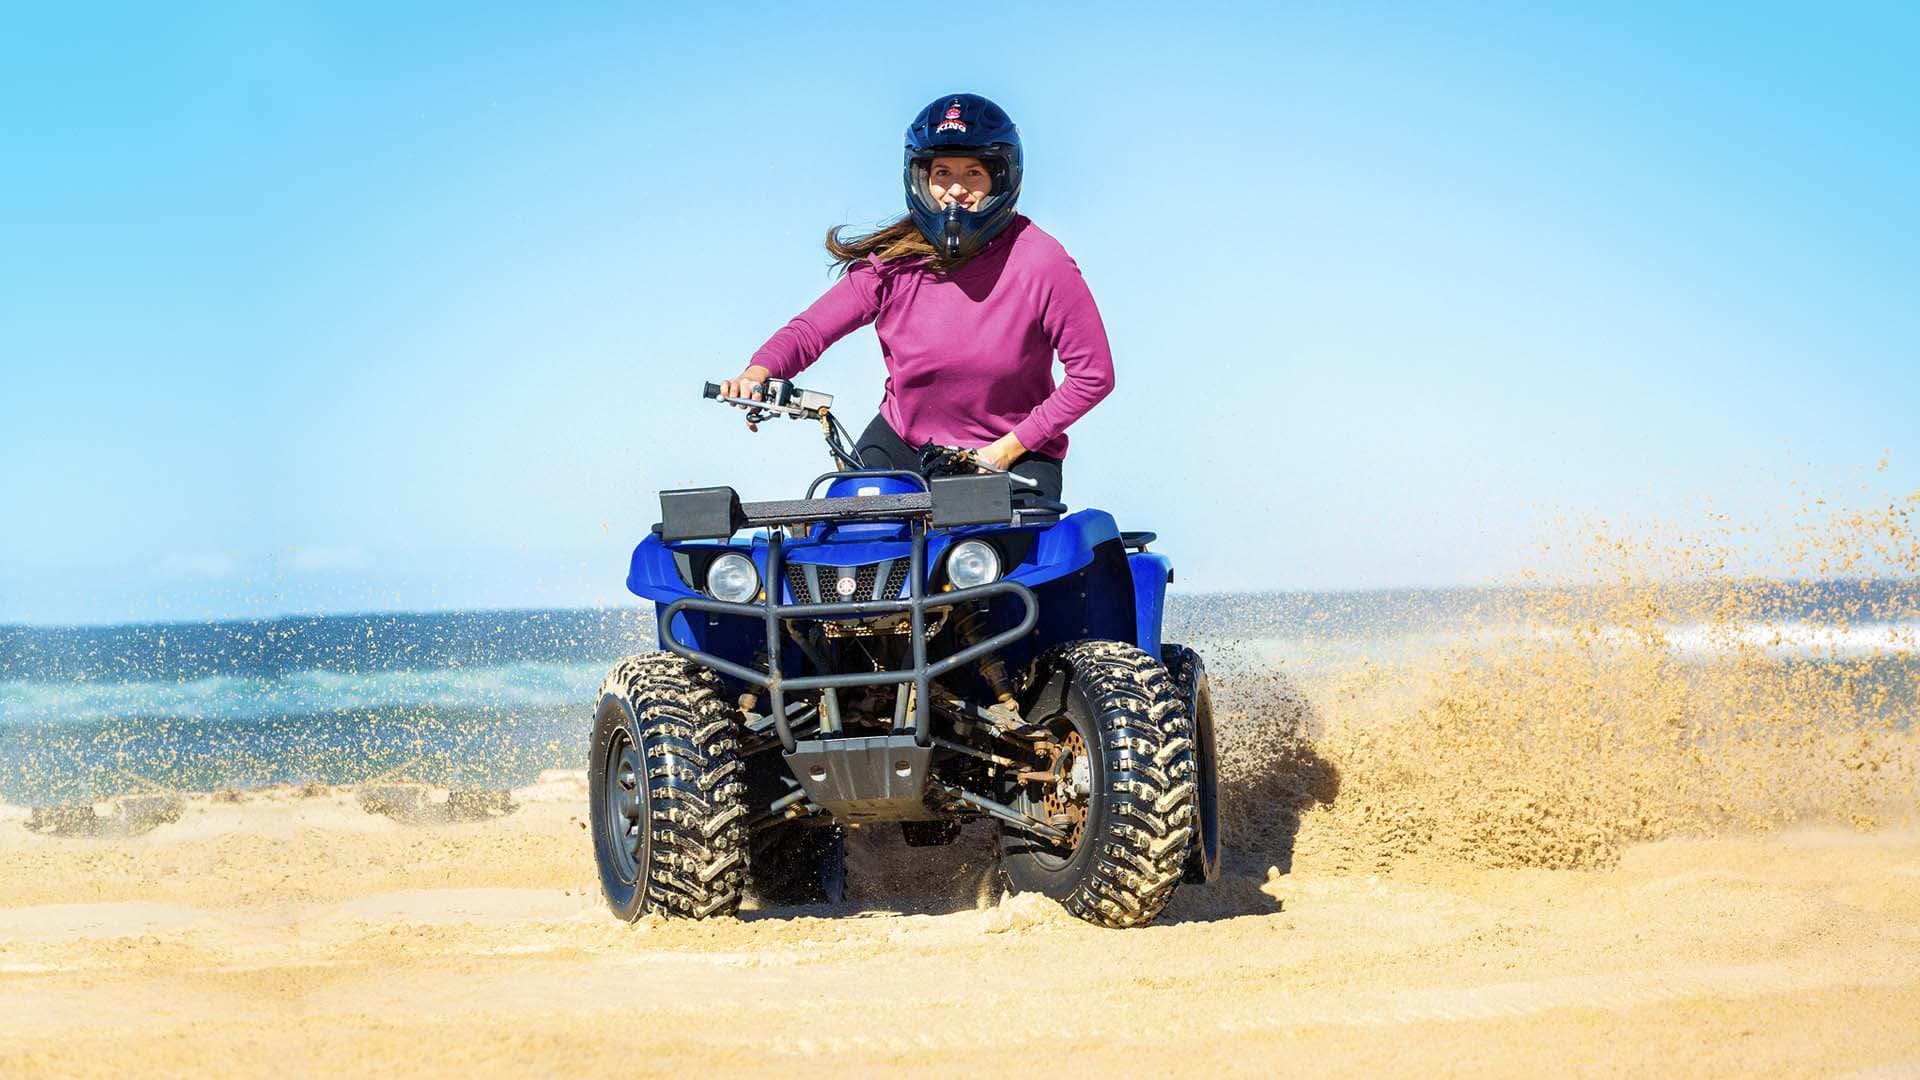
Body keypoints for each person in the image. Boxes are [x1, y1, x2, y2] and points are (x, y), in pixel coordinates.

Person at [717, 93, 1113, 504]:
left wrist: (1005, 450)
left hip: (1011, 455)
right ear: (919, 179)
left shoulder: (1040, 261)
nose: (954, 191)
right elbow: (810, 330)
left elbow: (1093, 375)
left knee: (989, 563)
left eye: (973, 173)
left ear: (1002, 177)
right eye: (941, 173)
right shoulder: (892, 261)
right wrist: (758, 373)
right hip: (903, 445)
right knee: (842, 543)